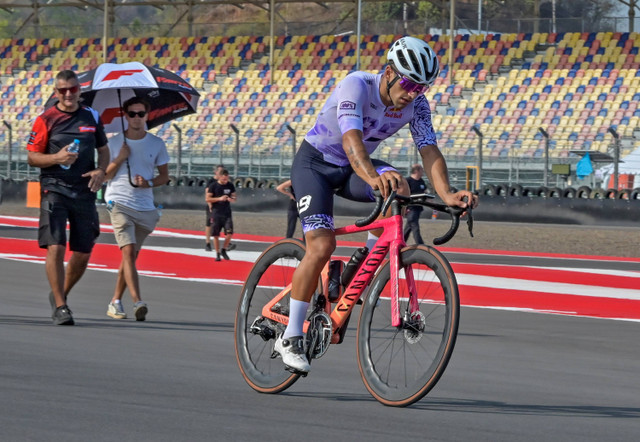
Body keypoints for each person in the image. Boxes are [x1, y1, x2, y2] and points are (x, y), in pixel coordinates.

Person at [278, 36, 479, 372]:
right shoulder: (356, 85)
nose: (413, 93)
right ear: (388, 72)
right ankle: (290, 334)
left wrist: (447, 194)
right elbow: (351, 139)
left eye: (422, 88)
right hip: (316, 164)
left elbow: (429, 149)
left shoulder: (417, 105)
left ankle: (358, 268)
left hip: (353, 167)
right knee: (322, 244)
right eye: (408, 84)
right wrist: (372, 177)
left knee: (398, 185)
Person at [26, 69, 110, 325]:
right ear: (56, 92)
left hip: (84, 190)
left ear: (79, 90)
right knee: (56, 245)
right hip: (55, 187)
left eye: (72, 89)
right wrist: (56, 158)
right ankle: (62, 307)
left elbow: (103, 150)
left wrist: (101, 170)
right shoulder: (45, 119)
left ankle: (59, 294)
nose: (68, 94)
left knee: (83, 251)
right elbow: (32, 157)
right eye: (63, 90)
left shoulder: (92, 116)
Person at [103, 97, 170, 321]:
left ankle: (115, 301)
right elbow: (105, 176)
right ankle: (137, 301)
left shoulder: (156, 144)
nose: (136, 118)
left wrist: (148, 183)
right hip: (118, 201)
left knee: (129, 258)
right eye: (132, 114)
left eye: (140, 114)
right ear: (125, 115)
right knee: (129, 253)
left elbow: (165, 176)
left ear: (147, 115)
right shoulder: (114, 143)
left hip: (144, 206)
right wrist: (120, 158)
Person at [205, 168, 237, 261]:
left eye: (226, 178)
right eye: (223, 178)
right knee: (216, 235)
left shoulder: (230, 185)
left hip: (227, 213)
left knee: (229, 233)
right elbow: (207, 198)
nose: (225, 180)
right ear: (220, 177)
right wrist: (219, 199)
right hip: (216, 213)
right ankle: (217, 253)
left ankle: (224, 249)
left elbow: (234, 196)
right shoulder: (213, 186)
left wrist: (232, 199)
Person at [403, 163, 427, 245]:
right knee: (415, 226)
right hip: (410, 208)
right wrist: (405, 208)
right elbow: (403, 195)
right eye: (421, 170)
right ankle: (421, 245)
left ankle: (400, 243)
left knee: (408, 228)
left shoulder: (421, 181)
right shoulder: (407, 181)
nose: (423, 171)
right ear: (417, 171)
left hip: (418, 208)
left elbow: (425, 193)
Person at [204, 164, 224, 251]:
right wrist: (210, 206)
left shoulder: (223, 181)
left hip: (221, 206)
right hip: (212, 204)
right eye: (220, 171)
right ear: (215, 172)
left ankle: (227, 242)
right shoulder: (211, 182)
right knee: (209, 223)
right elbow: (207, 194)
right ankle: (207, 243)